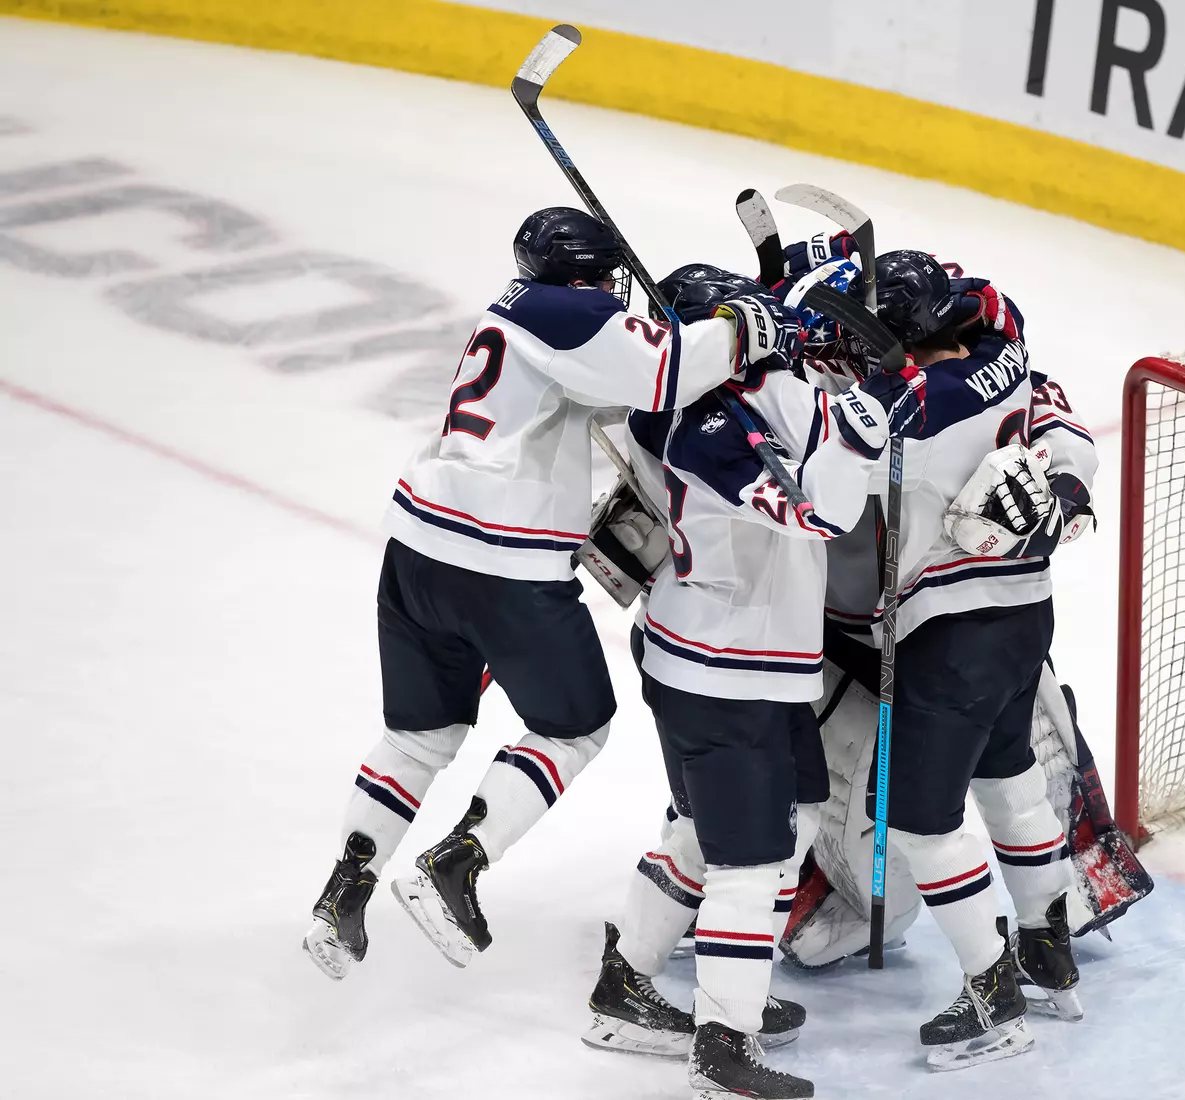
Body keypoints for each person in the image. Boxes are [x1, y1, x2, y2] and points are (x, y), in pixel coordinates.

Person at [302, 208, 796, 978]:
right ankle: (457, 864)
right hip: (501, 563)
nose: (613, 289)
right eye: (606, 277)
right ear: (585, 276)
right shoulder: (570, 313)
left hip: (418, 549)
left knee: (418, 738)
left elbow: (629, 387)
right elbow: (663, 373)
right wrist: (742, 328)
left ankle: (343, 892)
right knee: (574, 727)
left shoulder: (519, 310)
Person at [601, 262, 920, 1099]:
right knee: (753, 859)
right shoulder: (705, 430)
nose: (758, 332)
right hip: (725, 672)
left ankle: (631, 983)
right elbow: (822, 513)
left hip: (738, 662)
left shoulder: (700, 400)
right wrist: (864, 420)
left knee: (773, 818)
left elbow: (780, 372)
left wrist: (802, 311)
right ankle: (722, 1046)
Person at [802, 250, 1099, 1068]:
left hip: (950, 635)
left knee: (917, 821)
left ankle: (992, 997)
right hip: (1025, 614)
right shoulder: (1005, 357)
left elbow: (822, 500)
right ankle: (1048, 951)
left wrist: (853, 394)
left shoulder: (907, 409)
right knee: (1009, 780)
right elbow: (1052, 407)